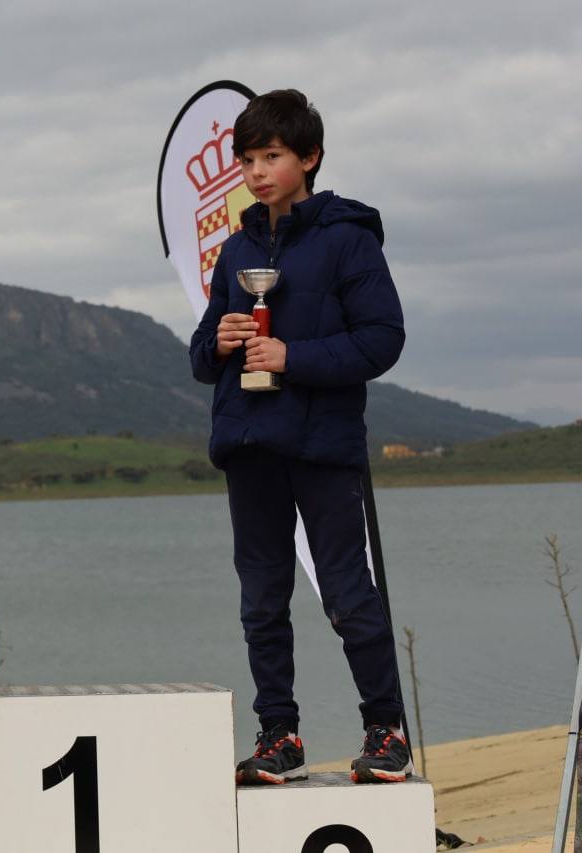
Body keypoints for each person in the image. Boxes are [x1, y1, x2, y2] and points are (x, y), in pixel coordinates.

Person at [188, 90, 411, 785]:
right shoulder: (235, 251)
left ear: (309, 158)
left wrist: (292, 357)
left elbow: (383, 339)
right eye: (247, 159)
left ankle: (387, 733)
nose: (257, 171)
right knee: (261, 600)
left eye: (273, 156)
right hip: (249, 445)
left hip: (322, 445)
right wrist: (222, 339)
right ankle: (278, 736)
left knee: (349, 592)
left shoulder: (347, 237)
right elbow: (199, 357)